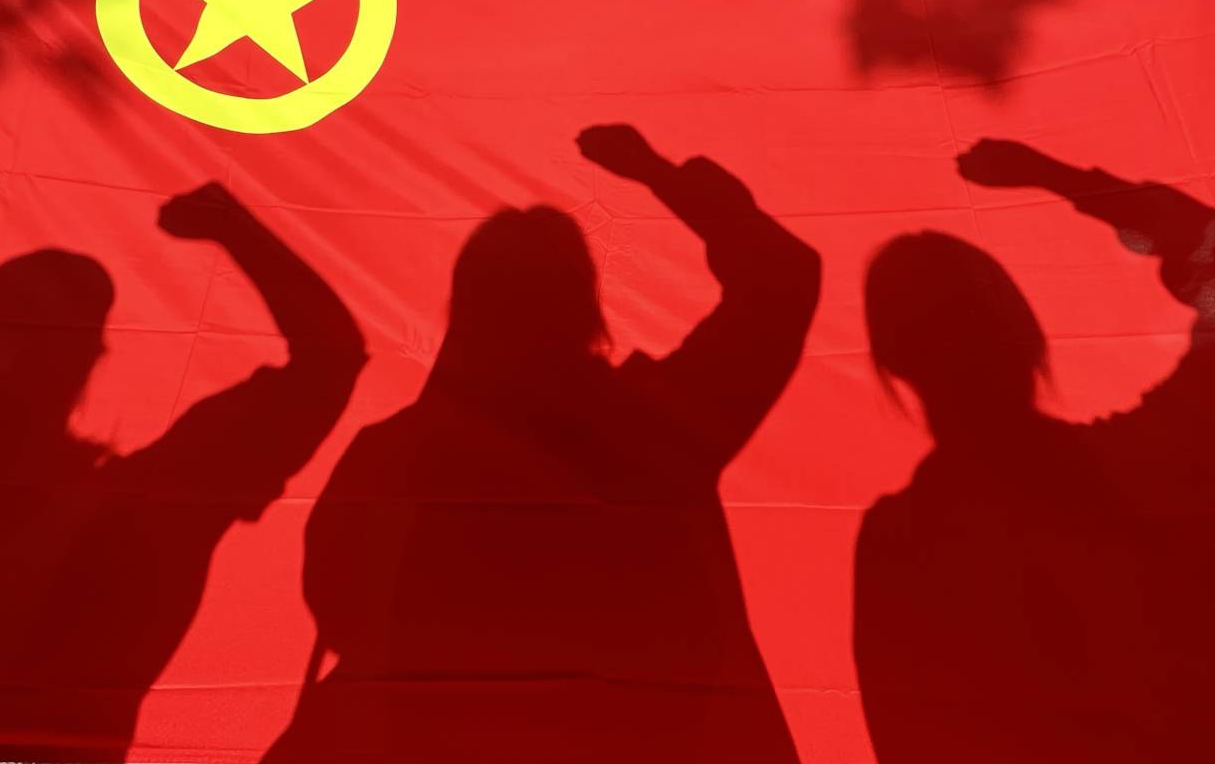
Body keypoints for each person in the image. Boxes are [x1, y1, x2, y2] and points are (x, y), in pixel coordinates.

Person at [265, 124, 821, 762]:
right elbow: (782, 277)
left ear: (464, 311)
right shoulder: (657, 427)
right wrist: (660, 176)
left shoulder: (396, 455)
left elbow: (339, 608)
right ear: (584, 305)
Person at [0, 183, 365, 761]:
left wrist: (234, 228)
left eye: (17, 334)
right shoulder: (148, 500)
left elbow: (329, 362)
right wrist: (233, 228)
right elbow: (330, 360)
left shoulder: (142, 507)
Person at [855, 139, 1215, 763]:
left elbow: (903, 735)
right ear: (1028, 334)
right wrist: (1062, 179)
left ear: (893, 359)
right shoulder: (1138, 464)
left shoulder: (900, 541)